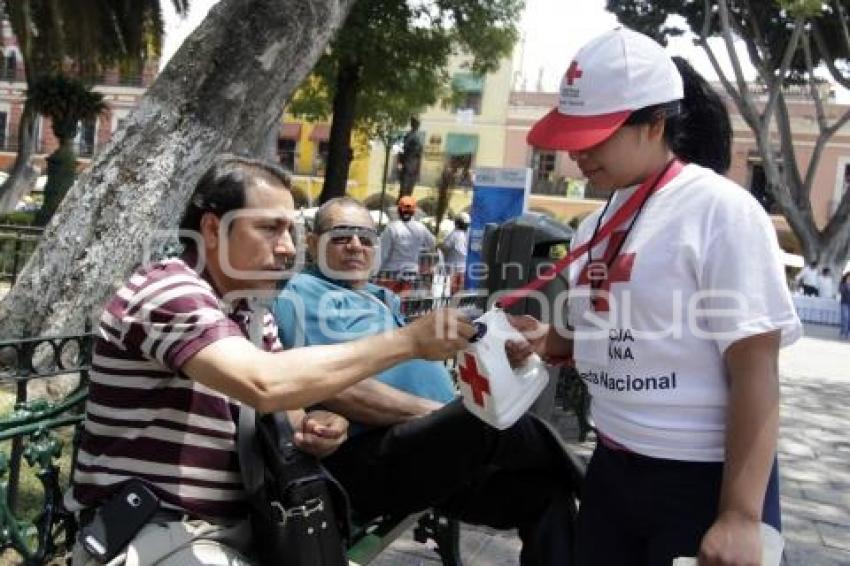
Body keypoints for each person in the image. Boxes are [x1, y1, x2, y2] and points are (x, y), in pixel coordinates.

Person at [66, 155, 473, 566]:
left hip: (251, 529)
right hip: (161, 530)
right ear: (212, 229)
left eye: (291, 231)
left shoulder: (251, 311)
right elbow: (263, 384)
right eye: (269, 228)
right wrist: (408, 342)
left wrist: (323, 427)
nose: (288, 248)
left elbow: (286, 408)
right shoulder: (169, 291)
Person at [508, 27, 802, 565]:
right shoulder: (593, 224)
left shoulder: (721, 212)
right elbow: (589, 328)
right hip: (614, 469)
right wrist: (540, 341)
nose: (578, 154)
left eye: (595, 135)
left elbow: (756, 367)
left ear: (656, 122)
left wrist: (739, 515)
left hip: (704, 479)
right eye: (572, 136)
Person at [272, 196, 584, 566]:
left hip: (426, 458)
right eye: (341, 236)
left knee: (546, 495)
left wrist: (499, 360)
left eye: (366, 237)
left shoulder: (380, 298)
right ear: (312, 243)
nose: (356, 245)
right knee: (491, 420)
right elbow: (334, 387)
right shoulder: (300, 295)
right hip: (365, 461)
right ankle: (605, 489)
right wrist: (439, 414)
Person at [378, 195, 436, 291]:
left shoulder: (392, 228)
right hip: (411, 274)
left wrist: (375, 270)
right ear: (414, 211)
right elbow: (432, 243)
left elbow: (383, 253)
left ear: (399, 211)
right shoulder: (421, 228)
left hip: (391, 274)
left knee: (389, 303)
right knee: (405, 303)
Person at [439, 211, 470, 293]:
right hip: (464, 267)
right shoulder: (468, 234)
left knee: (454, 291)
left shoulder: (454, 234)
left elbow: (445, 247)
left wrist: (440, 245)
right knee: (460, 291)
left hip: (453, 267)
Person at [397, 116, 423, 194]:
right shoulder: (409, 136)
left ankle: (405, 204)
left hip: (412, 167)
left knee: (408, 190)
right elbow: (400, 149)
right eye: (417, 124)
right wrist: (399, 163)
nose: (418, 126)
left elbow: (419, 156)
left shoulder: (415, 137)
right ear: (414, 124)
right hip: (409, 166)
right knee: (405, 190)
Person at [840, 272, 850, 339]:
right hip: (844, 303)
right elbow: (841, 291)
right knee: (845, 318)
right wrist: (847, 285)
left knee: (849, 319)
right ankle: (844, 331)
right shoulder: (843, 284)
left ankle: (846, 332)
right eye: (848, 277)